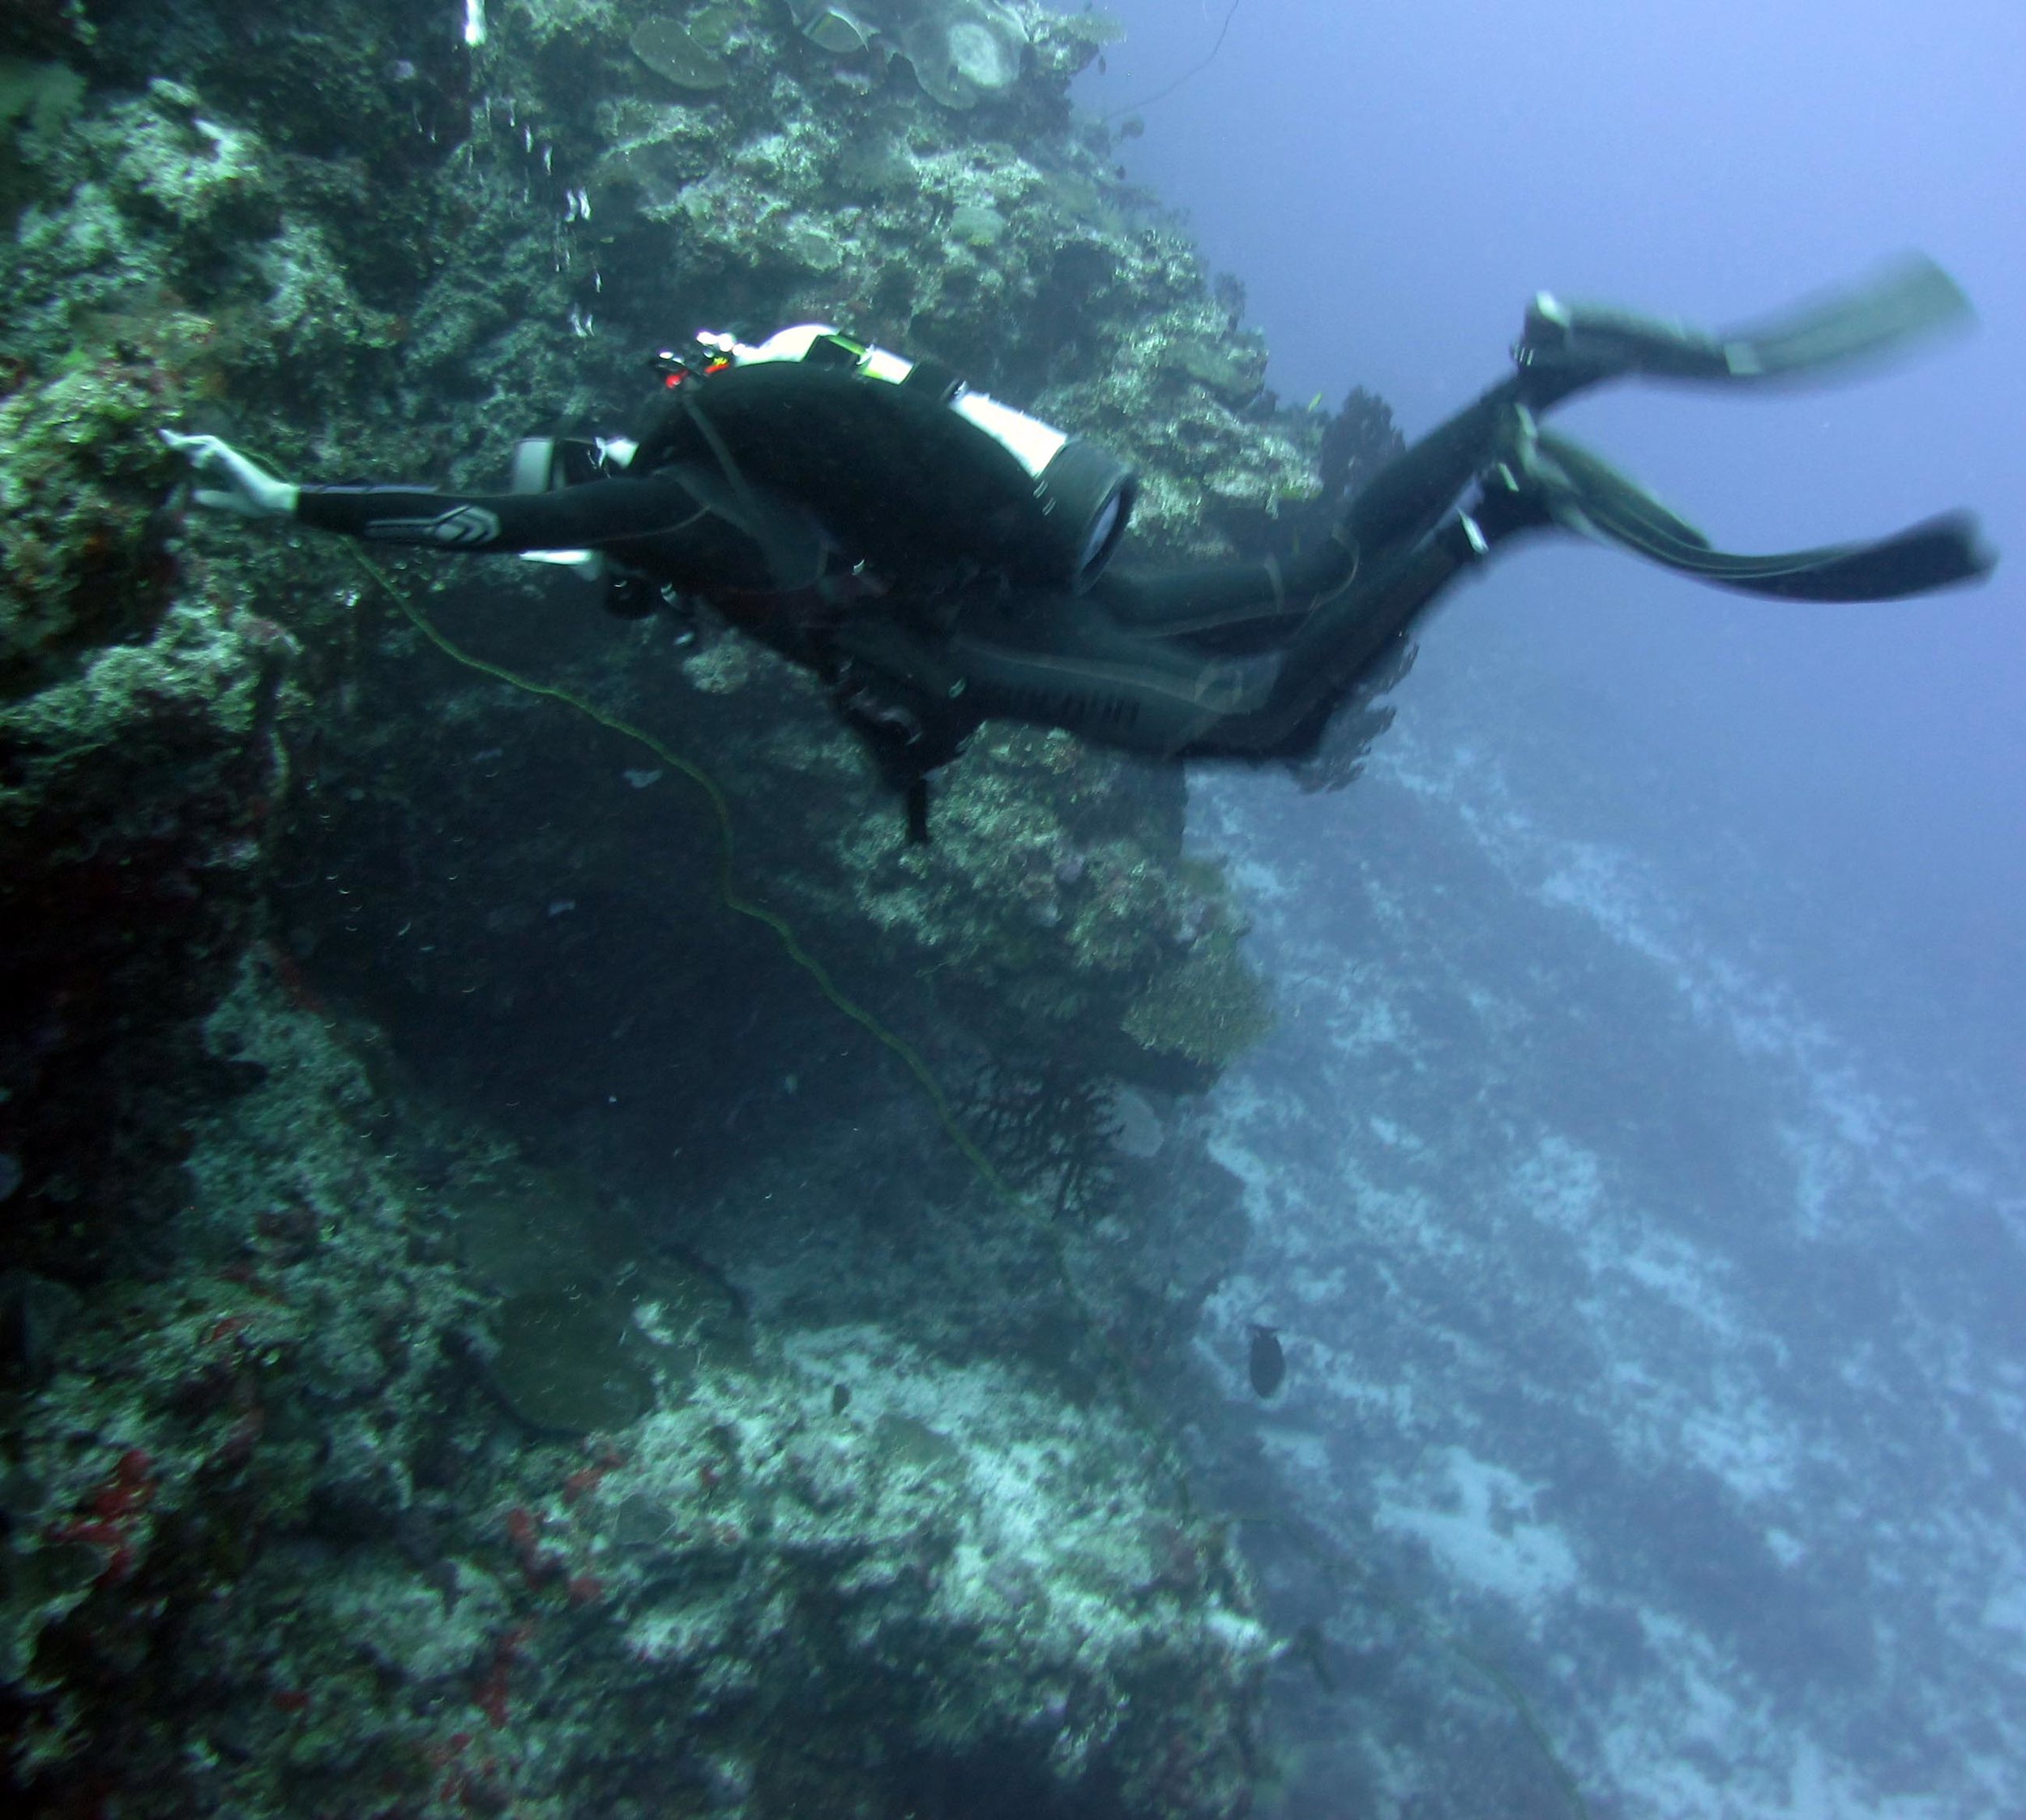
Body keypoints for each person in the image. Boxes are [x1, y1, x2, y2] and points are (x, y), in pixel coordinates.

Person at [164, 256, 1995, 839]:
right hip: (1024, 576)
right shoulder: (743, 462)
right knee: (1285, 572)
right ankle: (1542, 373)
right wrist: (908, 765)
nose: (603, 587)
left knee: (1259, 719)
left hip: (982, 623)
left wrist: (285, 499)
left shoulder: (656, 505)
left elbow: (492, 525)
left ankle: (1515, 505)